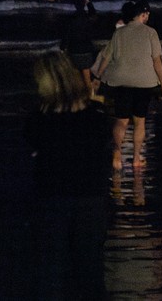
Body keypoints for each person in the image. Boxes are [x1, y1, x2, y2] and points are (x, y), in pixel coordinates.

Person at [24, 51, 112, 299]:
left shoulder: (39, 120)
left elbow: (33, 147)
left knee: (50, 270)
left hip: (51, 196)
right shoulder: (96, 116)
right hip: (90, 197)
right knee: (90, 271)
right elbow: (102, 149)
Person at [96, 1, 162, 170]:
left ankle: (117, 152)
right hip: (144, 82)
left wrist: (98, 76)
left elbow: (107, 57)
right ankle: (136, 158)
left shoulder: (119, 33)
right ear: (143, 15)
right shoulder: (151, 32)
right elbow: (157, 60)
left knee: (121, 120)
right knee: (140, 122)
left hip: (120, 81)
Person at [60, 0, 97, 96]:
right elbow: (94, 14)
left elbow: (67, 36)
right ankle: (91, 98)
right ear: (84, 4)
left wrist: (62, 48)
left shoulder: (71, 20)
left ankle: (78, 99)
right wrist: (89, 3)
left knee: (76, 78)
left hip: (74, 51)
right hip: (86, 51)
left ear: (75, 6)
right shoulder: (88, 18)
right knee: (87, 78)